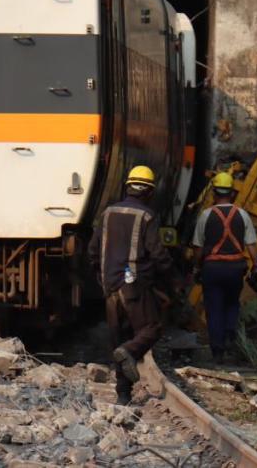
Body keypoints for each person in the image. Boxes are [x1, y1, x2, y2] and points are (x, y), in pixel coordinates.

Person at [89, 165, 177, 406]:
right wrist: (171, 275)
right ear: (149, 192)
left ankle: (123, 395)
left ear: (127, 187)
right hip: (134, 287)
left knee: (118, 339)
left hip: (110, 288)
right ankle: (130, 352)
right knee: (152, 328)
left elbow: (93, 251)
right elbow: (157, 253)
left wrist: (102, 276)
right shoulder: (147, 216)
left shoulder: (107, 213)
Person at [191, 172, 257, 364]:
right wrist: (255, 266)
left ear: (213, 193)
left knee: (214, 308)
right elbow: (252, 245)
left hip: (212, 269)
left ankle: (218, 352)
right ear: (232, 193)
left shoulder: (206, 215)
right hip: (235, 268)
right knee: (232, 303)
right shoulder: (242, 214)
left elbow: (197, 247)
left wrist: (197, 267)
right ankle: (230, 335)